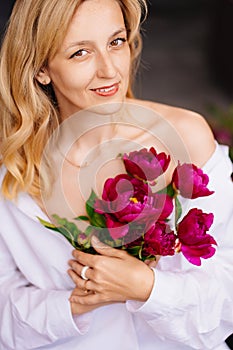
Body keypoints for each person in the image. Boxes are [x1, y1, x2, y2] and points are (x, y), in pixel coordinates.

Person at [0, 0, 232, 349]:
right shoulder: (11, 172)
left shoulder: (187, 137)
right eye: (80, 53)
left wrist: (147, 287)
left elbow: (228, 292)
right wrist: (73, 304)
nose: (109, 71)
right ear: (41, 69)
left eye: (116, 42)